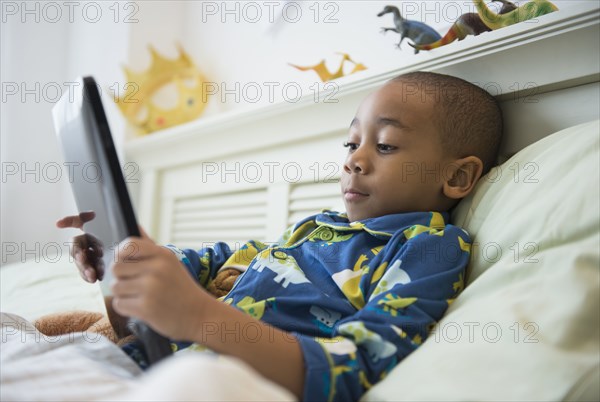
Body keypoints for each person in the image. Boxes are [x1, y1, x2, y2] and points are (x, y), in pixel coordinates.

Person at [57, 71, 503, 402]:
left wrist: (201, 317)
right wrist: (130, 255)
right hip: (155, 364)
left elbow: (359, 366)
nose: (354, 160)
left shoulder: (429, 247)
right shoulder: (310, 229)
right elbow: (214, 262)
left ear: (458, 176)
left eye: (384, 145)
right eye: (351, 144)